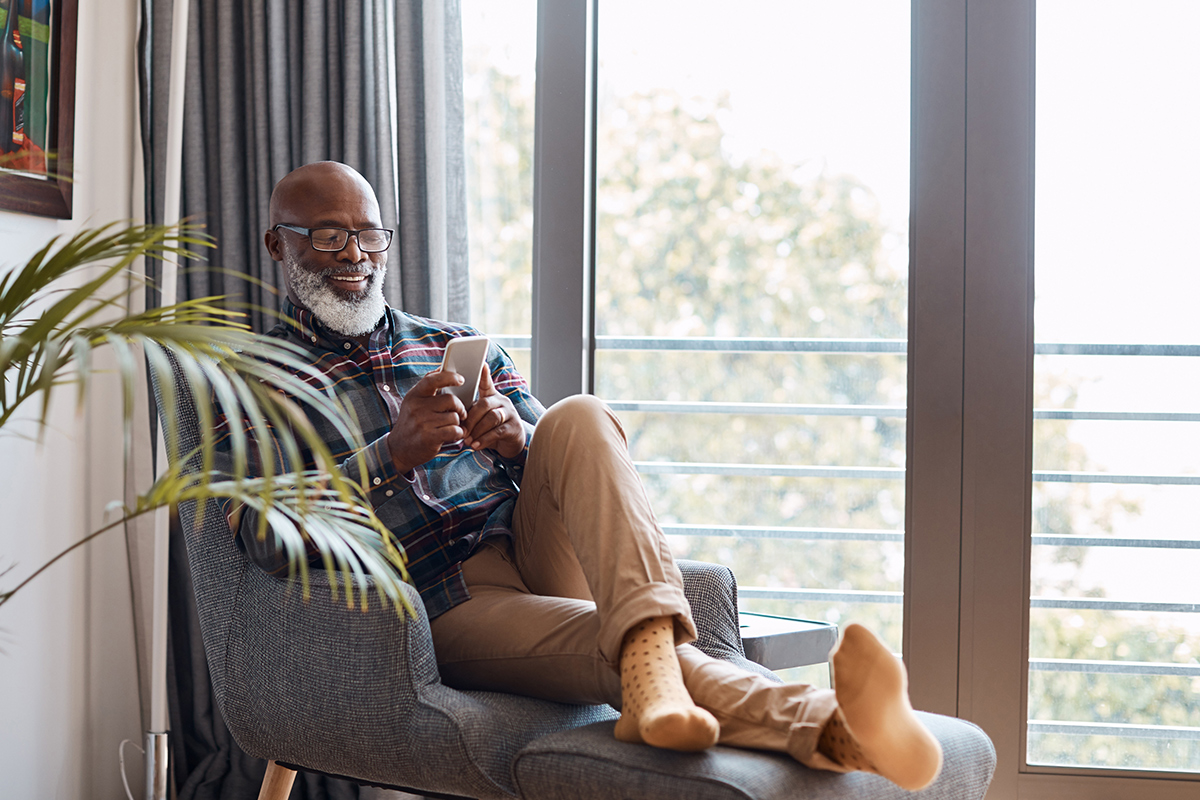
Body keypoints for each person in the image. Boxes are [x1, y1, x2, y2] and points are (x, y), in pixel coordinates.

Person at [222, 161, 944, 791]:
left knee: (579, 415)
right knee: (624, 647)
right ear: (277, 243)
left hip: (541, 552)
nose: (354, 253)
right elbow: (261, 535)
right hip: (443, 599)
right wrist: (390, 456)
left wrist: (515, 440)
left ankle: (660, 683)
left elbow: (572, 455)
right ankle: (830, 725)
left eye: (368, 232)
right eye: (326, 234)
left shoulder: (451, 343)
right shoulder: (252, 382)